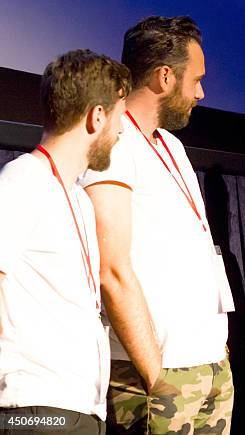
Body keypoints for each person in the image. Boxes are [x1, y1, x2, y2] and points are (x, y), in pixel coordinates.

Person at [79, 16, 234, 434]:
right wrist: (155, 376)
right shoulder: (111, 141)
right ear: (165, 76)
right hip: (158, 373)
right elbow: (111, 268)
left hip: (210, 364)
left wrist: (216, 350)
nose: (201, 92)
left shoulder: (174, 147)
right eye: (196, 80)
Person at [0, 49, 130, 434]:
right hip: (36, 408)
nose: (121, 132)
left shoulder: (77, 199)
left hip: (77, 407)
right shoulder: (22, 180)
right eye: (120, 118)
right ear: (97, 116)